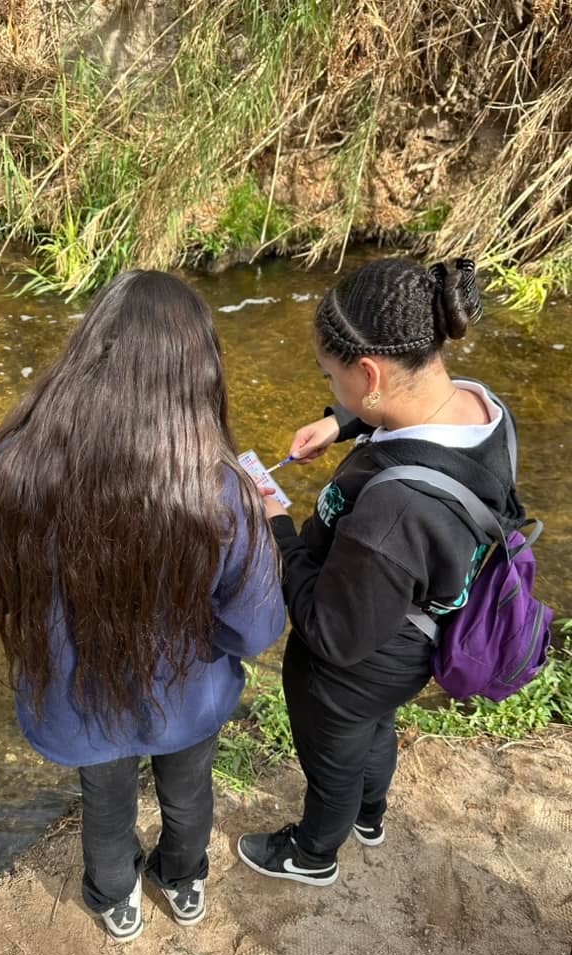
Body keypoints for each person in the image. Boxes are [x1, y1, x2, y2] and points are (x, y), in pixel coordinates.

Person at [0, 270, 284, 942]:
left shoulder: (14, 468)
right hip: (187, 700)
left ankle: (113, 898)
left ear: (86, 350)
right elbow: (254, 629)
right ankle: (184, 880)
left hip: (81, 704)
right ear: (198, 374)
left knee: (104, 803)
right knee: (189, 794)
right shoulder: (219, 491)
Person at [237, 256, 525, 885]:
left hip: (358, 663)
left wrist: (277, 526)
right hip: (416, 636)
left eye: (331, 376)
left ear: (370, 373)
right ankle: (371, 815)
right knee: (376, 730)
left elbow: (332, 634)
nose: (331, 385)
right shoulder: (480, 405)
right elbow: (409, 410)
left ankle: (312, 855)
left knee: (335, 756)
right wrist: (340, 421)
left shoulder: (397, 509)